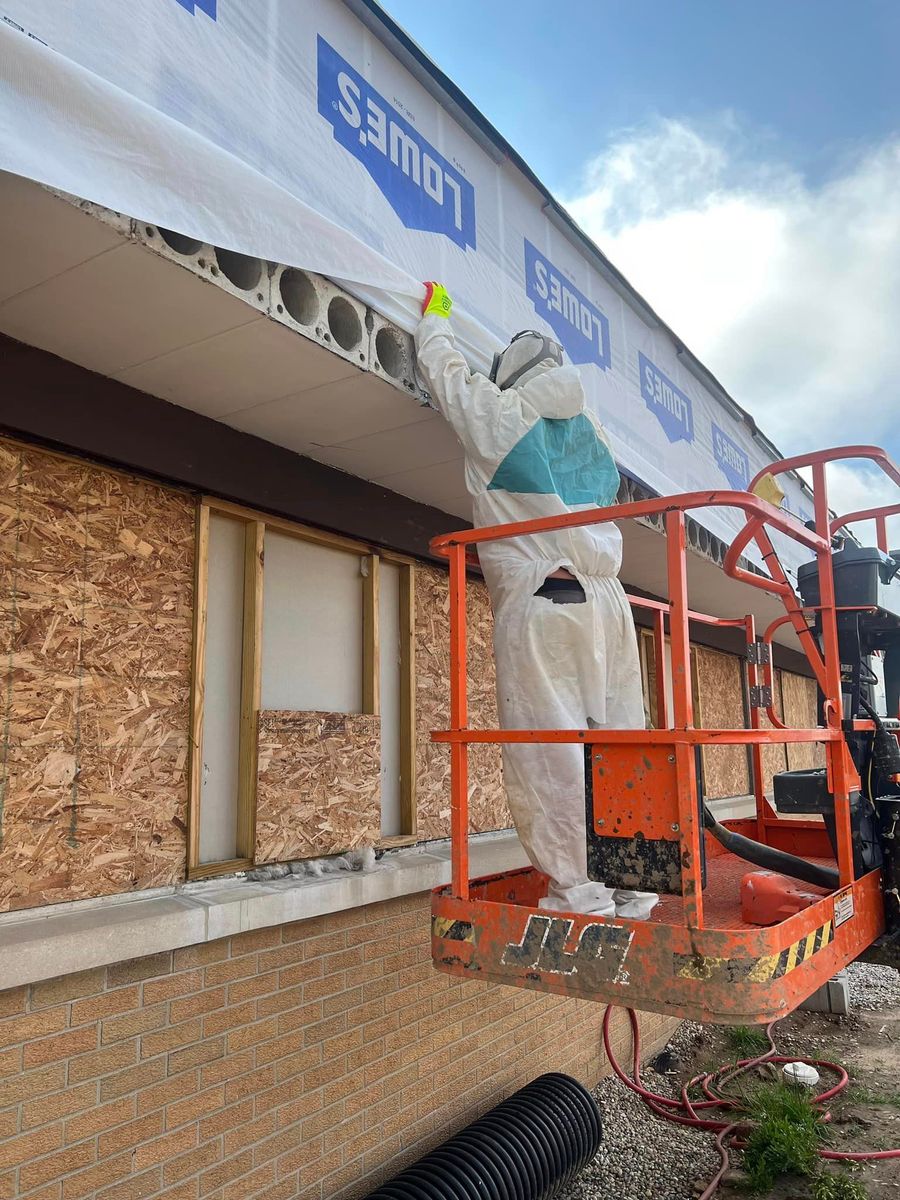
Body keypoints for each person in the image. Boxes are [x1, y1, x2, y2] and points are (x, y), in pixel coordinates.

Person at [414, 282, 657, 920]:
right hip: (611, 604)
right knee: (622, 742)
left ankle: (579, 894)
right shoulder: (593, 437)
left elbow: (441, 369)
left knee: (552, 748)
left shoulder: (503, 416)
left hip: (545, 595)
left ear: (510, 376)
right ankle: (638, 883)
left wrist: (439, 310)